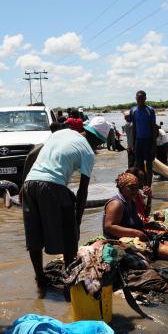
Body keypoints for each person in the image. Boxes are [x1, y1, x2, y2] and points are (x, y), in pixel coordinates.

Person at [22, 116, 110, 294]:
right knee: (70, 238)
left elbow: (33, 153)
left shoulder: (62, 132)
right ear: (98, 140)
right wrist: (77, 221)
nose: (97, 147)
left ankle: (40, 281)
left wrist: (24, 183)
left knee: (34, 236)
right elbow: (83, 191)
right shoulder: (88, 152)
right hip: (52, 186)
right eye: (99, 143)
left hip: (29, 184)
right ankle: (70, 286)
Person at [130, 90, 157, 187]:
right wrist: (133, 144)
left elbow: (153, 128)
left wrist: (154, 145)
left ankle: (149, 188)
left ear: (145, 98)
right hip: (138, 142)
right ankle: (142, 187)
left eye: (142, 98)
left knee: (149, 167)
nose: (140, 100)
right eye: (138, 98)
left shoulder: (150, 110)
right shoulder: (133, 110)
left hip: (148, 141)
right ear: (136, 99)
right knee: (140, 167)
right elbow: (134, 127)